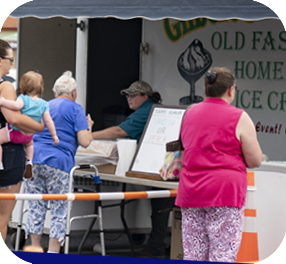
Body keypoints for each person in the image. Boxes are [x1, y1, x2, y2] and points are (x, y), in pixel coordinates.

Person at [175, 67, 263, 262]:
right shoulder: (240, 117)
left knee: (194, 254)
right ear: (231, 90)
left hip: (191, 190)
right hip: (225, 192)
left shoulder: (189, 113)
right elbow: (255, 160)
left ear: (206, 88)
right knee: (222, 254)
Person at [92, 81, 175, 257]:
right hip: (167, 166)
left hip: (160, 167)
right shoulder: (153, 108)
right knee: (161, 206)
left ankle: (156, 248)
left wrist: (89, 137)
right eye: (127, 95)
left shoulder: (146, 110)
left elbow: (119, 132)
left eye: (133, 95)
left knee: (160, 206)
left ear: (145, 96)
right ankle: (157, 245)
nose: (128, 98)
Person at [25, 71, 94, 253]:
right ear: (73, 93)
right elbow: (85, 141)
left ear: (55, 93)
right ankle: (53, 254)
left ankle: (35, 249)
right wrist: (89, 127)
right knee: (59, 209)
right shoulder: (75, 108)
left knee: (35, 206)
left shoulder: (43, 105)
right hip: (59, 163)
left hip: (33, 160)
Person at [0, 39, 44, 250]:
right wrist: (39, 126)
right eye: (10, 59)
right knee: (2, 217)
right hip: (8, 155)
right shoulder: (5, 85)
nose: (11, 64)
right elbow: (14, 119)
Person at [0, 71, 59, 178]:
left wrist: (3, 102)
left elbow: (16, 106)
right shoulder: (44, 104)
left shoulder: (23, 98)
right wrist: (54, 136)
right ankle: (29, 161)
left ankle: (0, 163)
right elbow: (48, 121)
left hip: (15, 133)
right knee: (30, 145)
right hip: (28, 137)